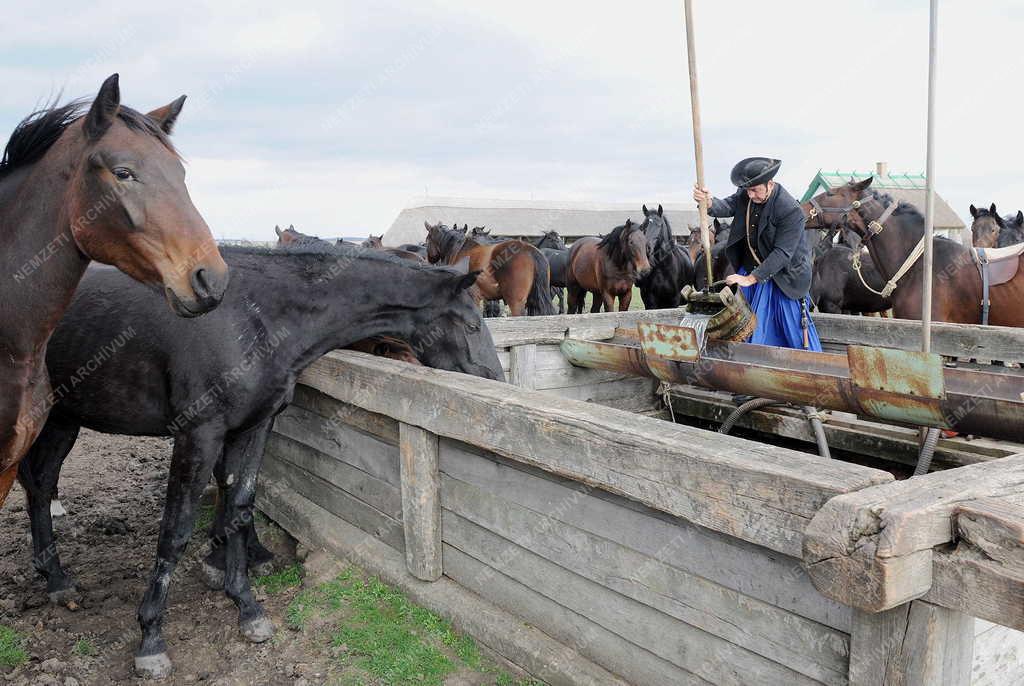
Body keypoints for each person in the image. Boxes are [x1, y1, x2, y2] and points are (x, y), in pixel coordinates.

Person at [692, 157, 821, 351]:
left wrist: (751, 279)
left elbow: (782, 253)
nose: (750, 195)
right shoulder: (747, 192)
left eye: (755, 190)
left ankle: (805, 368)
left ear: (770, 184)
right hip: (752, 268)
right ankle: (749, 366)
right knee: (745, 326)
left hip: (785, 277)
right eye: (748, 190)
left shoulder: (790, 211)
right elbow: (728, 206)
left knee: (790, 330)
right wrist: (709, 202)